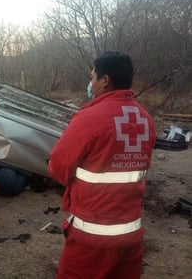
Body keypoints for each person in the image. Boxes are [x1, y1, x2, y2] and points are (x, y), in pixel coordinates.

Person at [47, 52, 156, 279]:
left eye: (92, 77)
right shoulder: (145, 119)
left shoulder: (90, 117)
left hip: (92, 236)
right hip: (131, 234)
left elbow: (58, 166)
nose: (91, 83)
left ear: (104, 80)